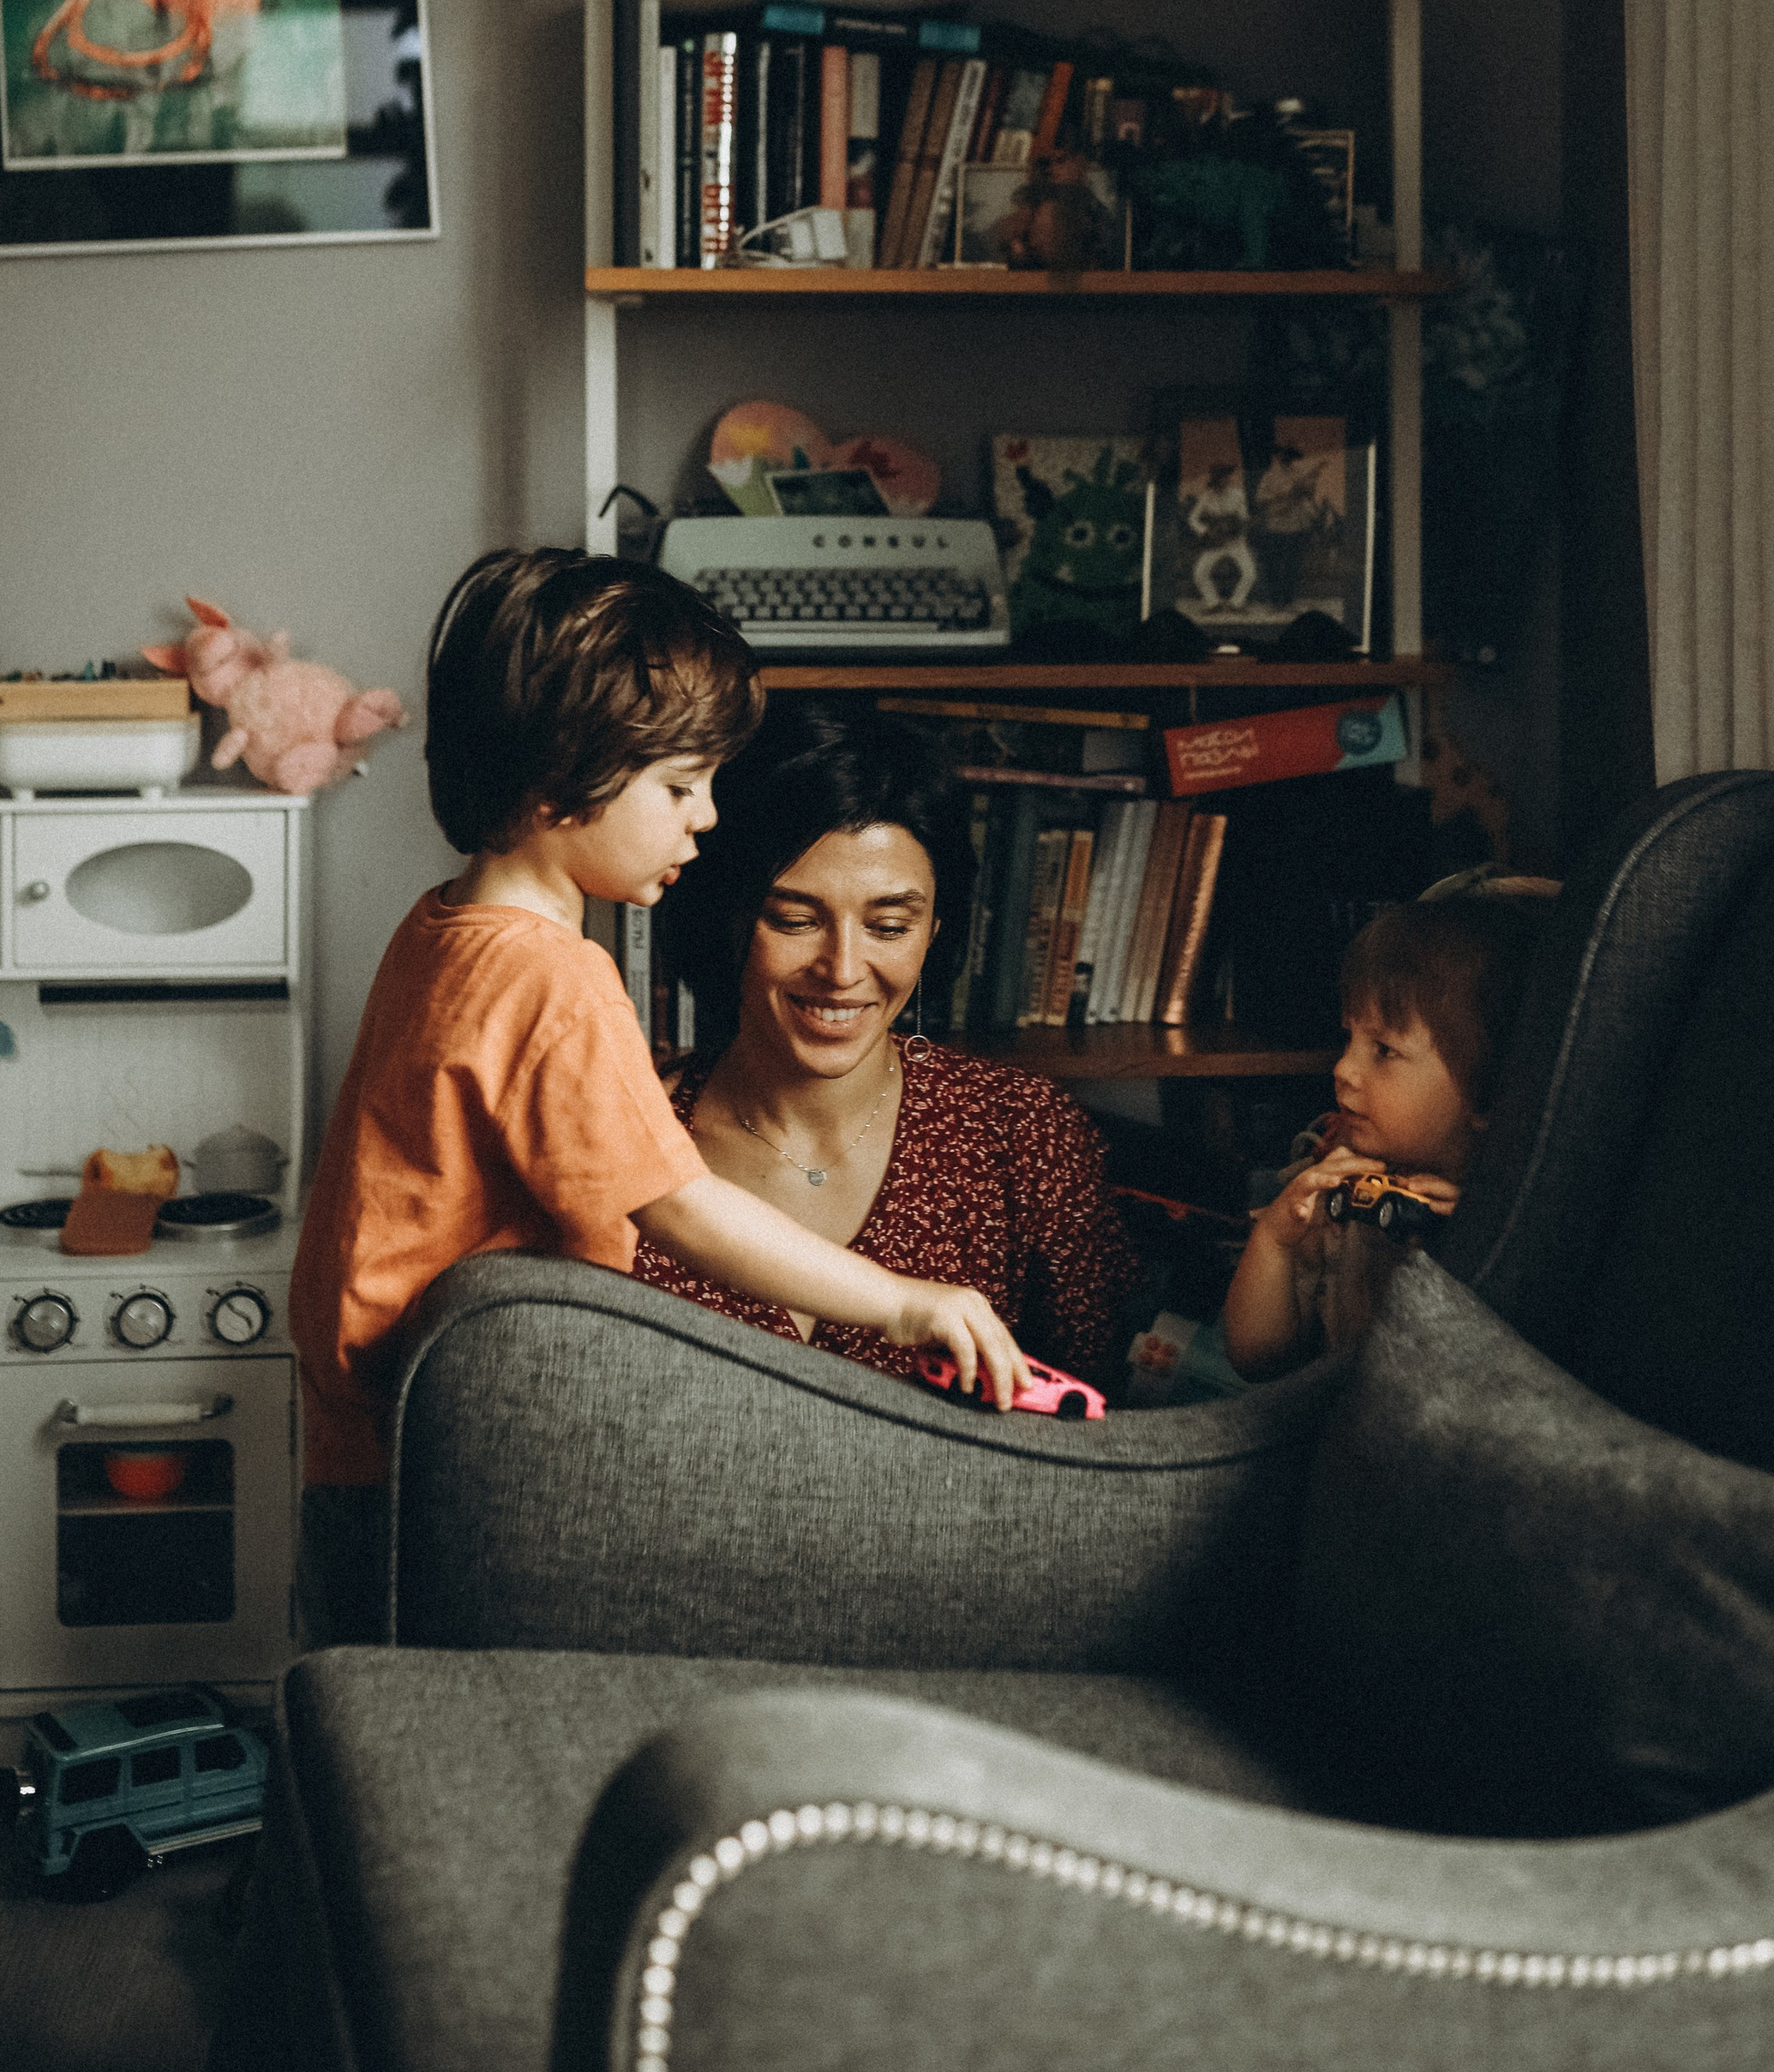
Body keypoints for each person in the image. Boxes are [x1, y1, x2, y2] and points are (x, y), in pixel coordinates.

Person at [286, 553, 1030, 1648]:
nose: (707, 819)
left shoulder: (440, 928)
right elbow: (680, 1203)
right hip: (447, 1456)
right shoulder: (553, 977)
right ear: (560, 780)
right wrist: (906, 1303)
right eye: (680, 786)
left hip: (360, 1446)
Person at [637, 698, 1136, 1385]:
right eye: (793, 920)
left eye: (890, 926)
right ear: (727, 918)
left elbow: (1103, 1432)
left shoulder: (1024, 1136)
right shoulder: (631, 1140)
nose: (842, 971)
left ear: (936, 929)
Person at [1221, 883, 1553, 1380]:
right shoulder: (1336, 1185)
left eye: (1383, 1051)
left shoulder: (1524, 1219)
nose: (1343, 1069)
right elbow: (1257, 1359)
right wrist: (1274, 1239)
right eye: (1349, 1038)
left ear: (1488, 1086)